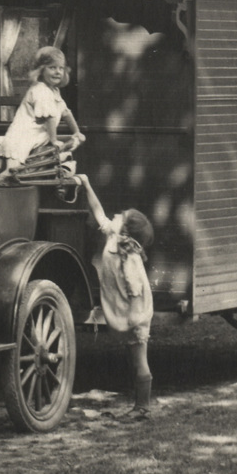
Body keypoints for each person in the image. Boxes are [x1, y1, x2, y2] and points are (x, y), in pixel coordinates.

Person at [76, 173, 156, 420]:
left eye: (122, 216)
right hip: (129, 311)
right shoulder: (114, 236)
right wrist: (87, 184)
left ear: (126, 231)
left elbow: (135, 289)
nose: (117, 215)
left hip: (136, 313)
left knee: (139, 357)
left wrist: (132, 318)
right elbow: (99, 213)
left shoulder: (127, 255)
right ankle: (139, 405)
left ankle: (142, 407)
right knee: (134, 358)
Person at [0, 46, 85, 177]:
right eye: (52, 68)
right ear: (41, 71)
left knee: (19, 174)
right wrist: (54, 140)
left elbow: (66, 113)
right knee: (12, 172)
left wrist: (76, 132)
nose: (57, 72)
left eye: (61, 68)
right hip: (20, 139)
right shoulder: (40, 90)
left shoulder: (54, 91)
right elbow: (49, 117)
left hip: (34, 140)